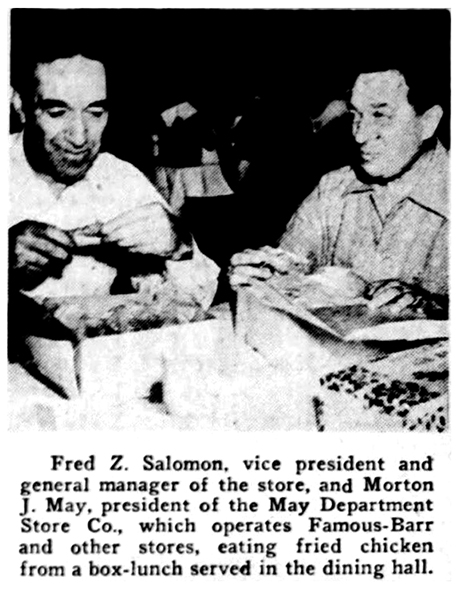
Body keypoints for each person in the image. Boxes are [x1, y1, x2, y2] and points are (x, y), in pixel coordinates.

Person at [230, 65, 448, 318]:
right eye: (355, 115)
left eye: (380, 115)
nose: (360, 135)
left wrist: (439, 308)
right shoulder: (333, 188)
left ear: (428, 122)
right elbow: (291, 262)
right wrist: (264, 274)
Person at [9, 51, 219, 312]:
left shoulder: (117, 178)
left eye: (95, 112)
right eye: (57, 112)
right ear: (20, 105)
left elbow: (200, 301)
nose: (79, 137)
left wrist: (180, 248)